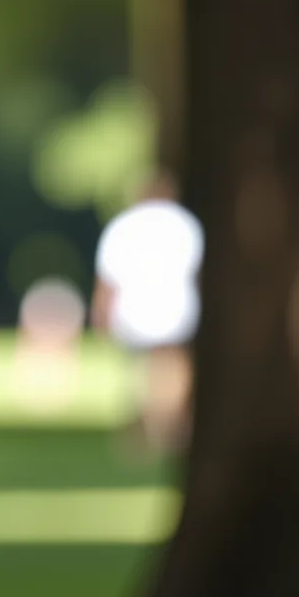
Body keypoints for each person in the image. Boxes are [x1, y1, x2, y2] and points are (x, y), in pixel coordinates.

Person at [92, 174, 204, 453]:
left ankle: (153, 426)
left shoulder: (124, 226)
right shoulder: (184, 224)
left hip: (134, 313)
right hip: (177, 309)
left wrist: (101, 313)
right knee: (170, 369)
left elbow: (108, 280)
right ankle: (164, 426)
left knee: (145, 371)